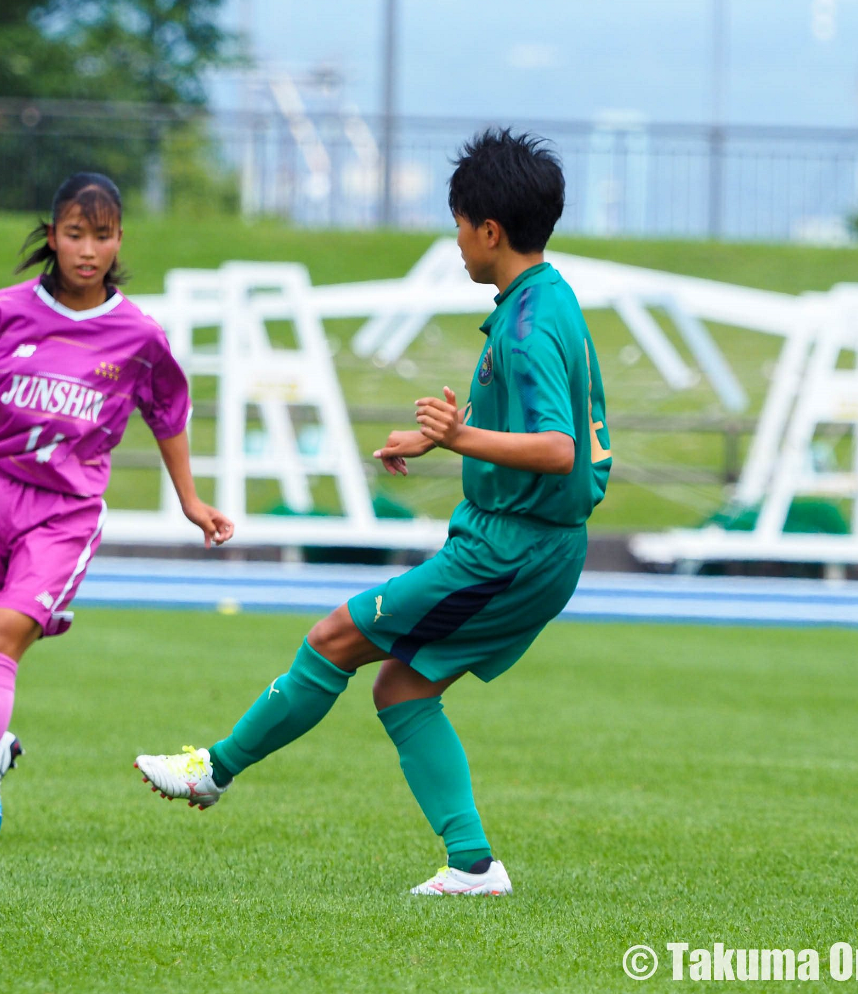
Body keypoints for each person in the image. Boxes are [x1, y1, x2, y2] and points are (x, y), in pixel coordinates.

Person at [136, 129, 611, 896]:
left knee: (332, 639)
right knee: (400, 688)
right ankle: (471, 865)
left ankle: (212, 770)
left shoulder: (525, 327)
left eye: (458, 224)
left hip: (512, 547)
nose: (456, 241)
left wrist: (458, 438)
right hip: (527, 541)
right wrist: (436, 445)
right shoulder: (547, 299)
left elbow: (559, 448)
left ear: (489, 230)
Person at [0, 171, 233, 793]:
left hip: (63, 515)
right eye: (75, 234)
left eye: (101, 236)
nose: (87, 250)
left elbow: (168, 415)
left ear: (119, 241)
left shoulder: (140, 337)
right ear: (52, 236)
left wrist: (191, 500)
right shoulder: (1, 312)